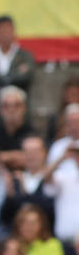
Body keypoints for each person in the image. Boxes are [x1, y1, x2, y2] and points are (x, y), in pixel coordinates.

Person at [0, 16, 36, 137]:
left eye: (8, 30)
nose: (5, 34)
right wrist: (13, 77)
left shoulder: (25, 55)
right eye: (1, 31)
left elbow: (27, 77)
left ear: (14, 31)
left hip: (21, 116)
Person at [50, 104, 79, 243]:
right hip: (64, 228)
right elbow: (47, 180)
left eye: (77, 122)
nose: (74, 126)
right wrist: (62, 158)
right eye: (70, 122)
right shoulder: (58, 147)